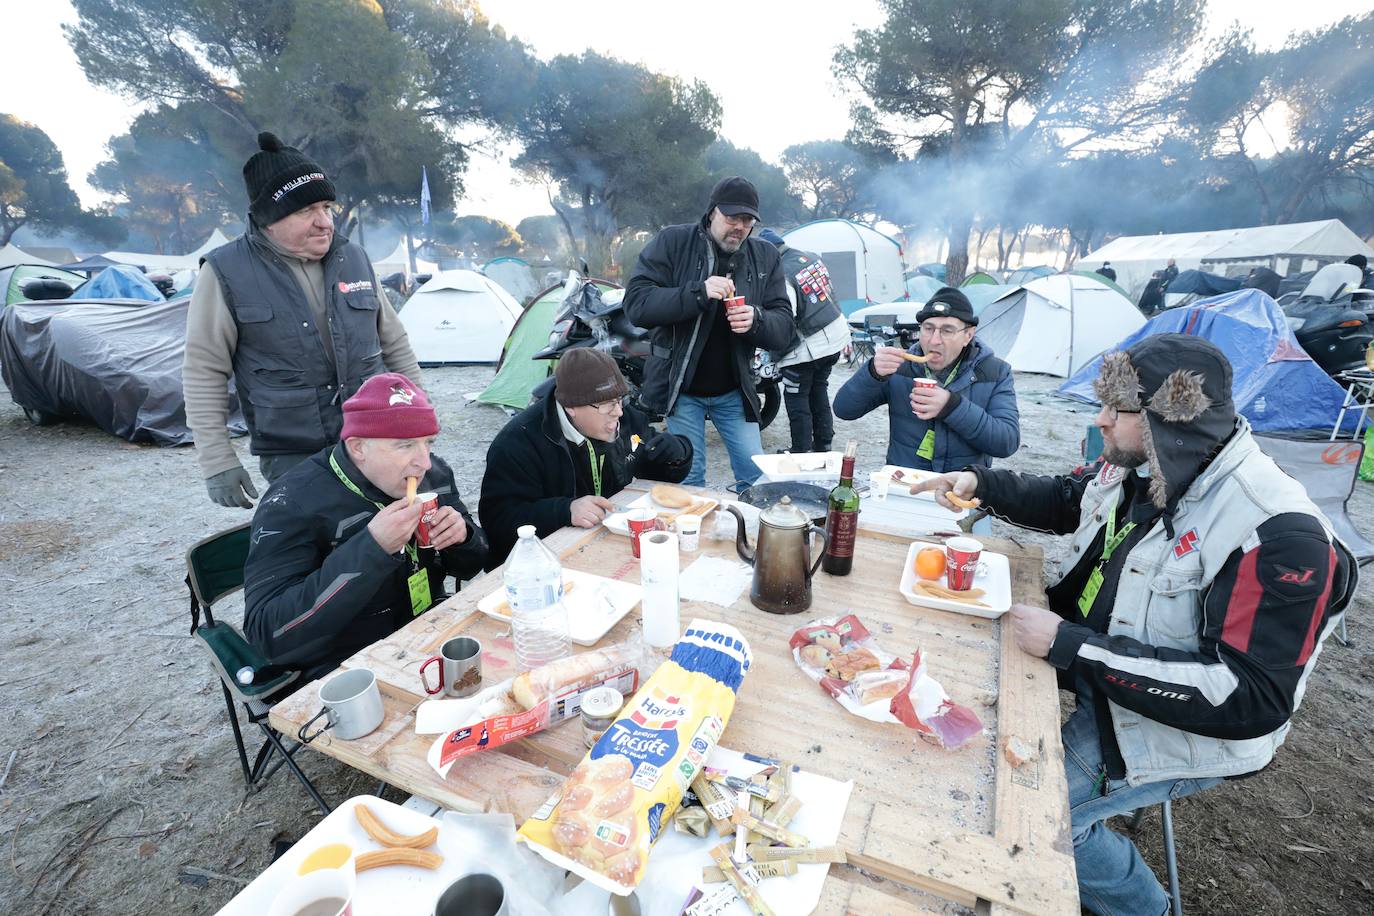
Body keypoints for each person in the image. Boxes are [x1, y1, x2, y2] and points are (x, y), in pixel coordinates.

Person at [913, 335, 1356, 916]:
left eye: (1116, 409)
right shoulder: (1153, 462)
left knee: (1030, 816)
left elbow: (1251, 697)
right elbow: (1071, 498)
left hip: (1181, 728)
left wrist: (1072, 647)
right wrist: (982, 485)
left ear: (1170, 420)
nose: (1098, 419)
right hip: (1104, 669)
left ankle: (1150, 909)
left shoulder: (1278, 534)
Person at [184, 131, 422, 509]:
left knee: (393, 542)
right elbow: (203, 372)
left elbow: (395, 344)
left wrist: (416, 416)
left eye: (326, 207)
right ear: (269, 218)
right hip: (294, 452)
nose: (324, 221)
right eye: (305, 211)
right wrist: (217, 461)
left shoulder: (354, 258)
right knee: (317, 553)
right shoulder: (225, 272)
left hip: (375, 437)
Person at [243, 373, 487, 683]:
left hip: (426, 630)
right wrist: (372, 549)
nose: (424, 462)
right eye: (406, 445)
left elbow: (472, 565)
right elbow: (268, 634)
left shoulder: (433, 475)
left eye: (428, 443)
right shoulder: (292, 502)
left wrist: (463, 538)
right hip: (343, 662)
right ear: (358, 447)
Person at [623, 177, 795, 489]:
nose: (739, 227)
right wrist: (697, 293)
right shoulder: (673, 242)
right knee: (689, 480)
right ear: (712, 212)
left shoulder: (765, 256)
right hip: (682, 390)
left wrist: (756, 320)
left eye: (747, 220)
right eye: (732, 217)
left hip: (735, 391)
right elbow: (637, 304)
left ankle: (751, 535)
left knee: (757, 479)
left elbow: (784, 327)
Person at [479, 348, 693, 568]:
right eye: (607, 404)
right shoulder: (519, 442)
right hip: (540, 565)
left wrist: (678, 455)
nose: (618, 411)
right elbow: (497, 520)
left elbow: (654, 469)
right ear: (571, 407)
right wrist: (564, 510)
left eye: (620, 400)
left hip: (603, 545)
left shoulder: (623, 419)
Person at [832, 287, 1019, 471]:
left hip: (961, 489)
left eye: (947, 331)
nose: (934, 340)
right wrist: (872, 373)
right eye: (928, 329)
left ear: (967, 336)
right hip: (904, 484)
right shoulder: (901, 367)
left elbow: (1006, 443)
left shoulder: (995, 372)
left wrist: (951, 407)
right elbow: (844, 410)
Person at [757, 228, 849, 454]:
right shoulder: (810, 257)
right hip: (835, 336)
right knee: (818, 389)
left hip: (809, 346)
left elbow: (785, 320)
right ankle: (823, 444)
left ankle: (800, 450)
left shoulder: (782, 275)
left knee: (796, 397)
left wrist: (770, 347)